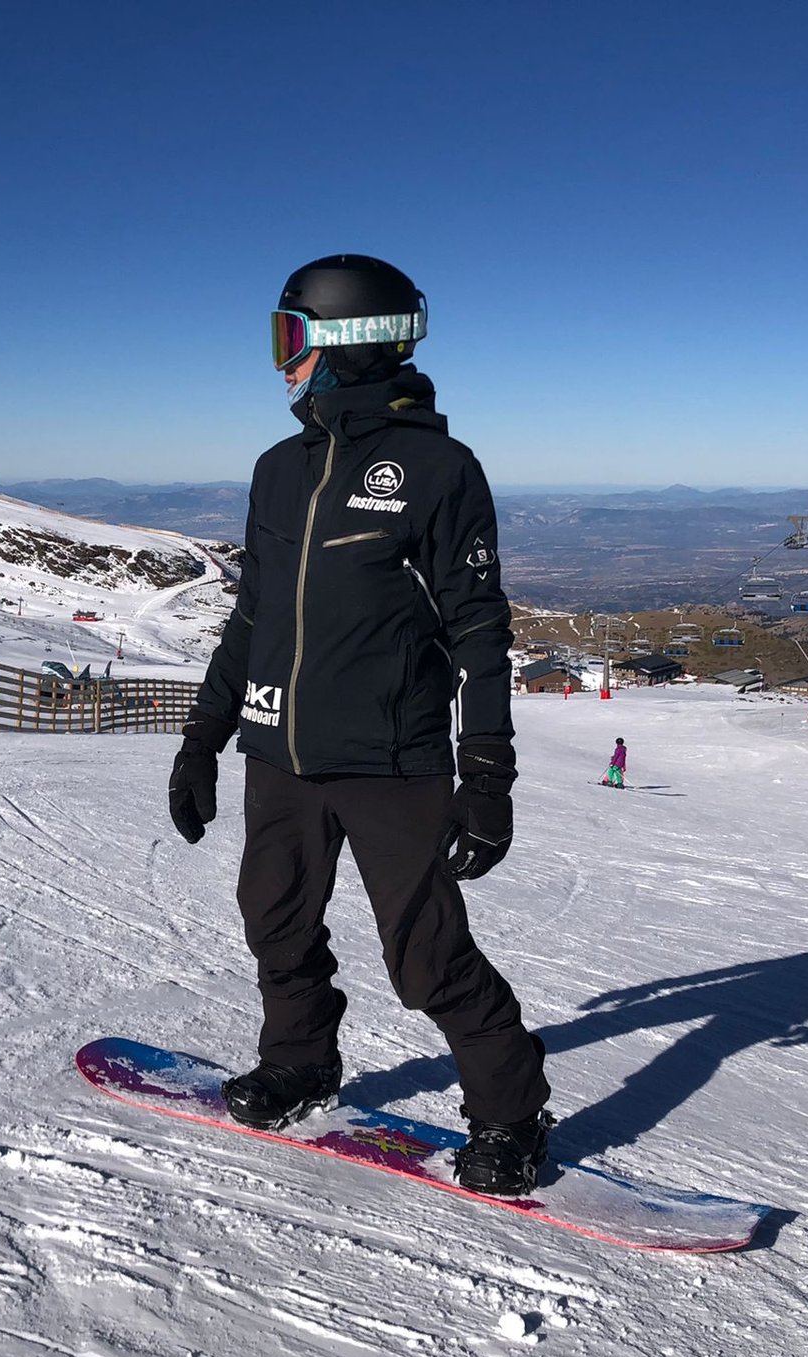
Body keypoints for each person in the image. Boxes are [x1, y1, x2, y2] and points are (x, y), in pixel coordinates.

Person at [166, 254, 553, 1196]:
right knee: (277, 925)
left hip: (390, 761)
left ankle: (511, 1113)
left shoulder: (438, 469)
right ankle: (299, 1063)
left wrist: (487, 775)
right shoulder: (277, 471)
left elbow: (478, 628)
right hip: (280, 754)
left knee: (425, 958)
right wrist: (204, 734)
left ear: (346, 341)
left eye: (289, 337)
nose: (279, 361)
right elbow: (253, 615)